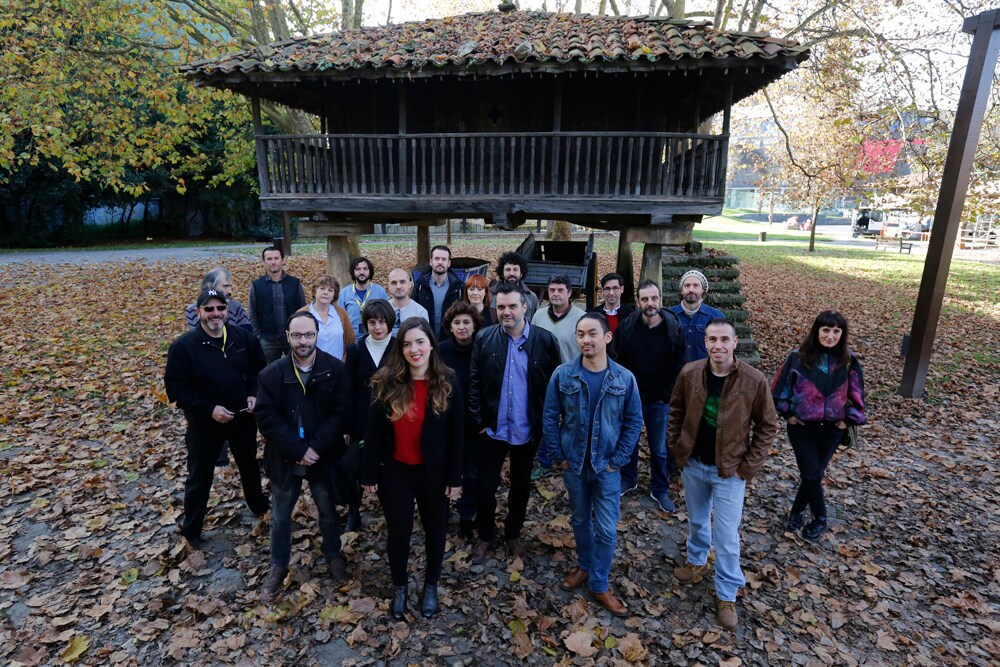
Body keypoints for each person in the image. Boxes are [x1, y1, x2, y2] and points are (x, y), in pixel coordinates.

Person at [667, 318, 778, 631]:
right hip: (694, 464)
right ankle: (697, 562)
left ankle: (727, 593)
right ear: (705, 342)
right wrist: (676, 447)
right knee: (698, 519)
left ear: (734, 343)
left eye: (724, 339)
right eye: (712, 339)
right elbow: (675, 411)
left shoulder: (753, 380)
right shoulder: (690, 373)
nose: (718, 345)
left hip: (730, 470)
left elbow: (768, 425)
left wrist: (748, 466)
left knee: (727, 536)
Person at [362, 318, 463, 621]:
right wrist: (368, 473)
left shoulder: (448, 382)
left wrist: (455, 478)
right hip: (396, 471)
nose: (413, 349)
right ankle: (401, 587)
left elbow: (458, 436)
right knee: (399, 532)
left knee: (435, 530)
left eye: (420, 342)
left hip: (434, 472)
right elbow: (373, 432)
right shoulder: (387, 381)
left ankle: (430, 585)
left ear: (431, 344)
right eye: (407, 344)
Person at [543, 313, 643, 617]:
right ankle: (584, 566)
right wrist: (559, 456)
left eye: (592, 334)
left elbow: (633, 421)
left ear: (606, 337)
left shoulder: (624, 378)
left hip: (606, 468)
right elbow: (549, 416)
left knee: (607, 529)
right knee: (580, 520)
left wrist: (618, 461)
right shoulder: (563, 374)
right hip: (574, 465)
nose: (586, 340)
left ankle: (600, 583)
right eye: (580, 334)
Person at [255, 311, 352, 596]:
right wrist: (297, 449)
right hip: (285, 457)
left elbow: (339, 413)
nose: (303, 341)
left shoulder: (335, 369)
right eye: (296, 335)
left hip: (322, 456)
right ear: (287, 336)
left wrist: (314, 448)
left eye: (308, 334)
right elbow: (266, 417)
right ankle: (278, 564)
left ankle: (334, 556)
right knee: (281, 515)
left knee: (327, 510)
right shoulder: (271, 375)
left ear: (317, 334)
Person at [164, 288, 269, 550]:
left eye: (220, 308)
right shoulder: (183, 347)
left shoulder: (243, 338)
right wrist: (209, 409)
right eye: (208, 309)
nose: (215, 314)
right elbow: (177, 390)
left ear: (227, 310)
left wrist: (254, 395)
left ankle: (259, 508)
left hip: (242, 418)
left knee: (249, 466)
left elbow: (259, 371)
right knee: (199, 475)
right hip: (204, 423)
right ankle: (192, 530)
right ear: (198, 312)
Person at [468, 282, 561, 563]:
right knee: (485, 486)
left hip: (526, 429)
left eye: (512, 306)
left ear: (525, 307)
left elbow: (553, 386)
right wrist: (479, 422)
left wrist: (544, 425)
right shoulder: (484, 338)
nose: (506, 312)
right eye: (500, 307)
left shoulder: (544, 341)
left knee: (520, 485)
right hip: (492, 429)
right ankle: (486, 535)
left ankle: (513, 533)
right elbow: (474, 382)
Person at [771, 310, 866, 542]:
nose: (831, 336)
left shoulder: (848, 361)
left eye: (836, 331)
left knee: (812, 474)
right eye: (826, 330)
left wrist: (847, 420)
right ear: (817, 331)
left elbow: (858, 395)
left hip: (832, 430)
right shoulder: (798, 357)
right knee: (811, 473)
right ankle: (820, 517)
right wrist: (789, 415)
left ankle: (796, 512)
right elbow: (779, 390)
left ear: (842, 334)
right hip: (802, 428)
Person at [611, 280, 687, 511]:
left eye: (654, 298)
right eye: (645, 299)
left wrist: (667, 395)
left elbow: (681, 366)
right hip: (631, 399)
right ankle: (629, 479)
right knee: (629, 443)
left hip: (659, 400)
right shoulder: (627, 327)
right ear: (638, 301)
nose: (650, 303)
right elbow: (616, 360)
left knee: (660, 448)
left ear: (660, 299)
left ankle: (660, 488)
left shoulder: (673, 328)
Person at [343, 299, 397, 531]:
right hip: (360, 418)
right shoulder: (355, 350)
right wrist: (345, 426)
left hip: (392, 417)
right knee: (356, 466)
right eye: (372, 322)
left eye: (382, 322)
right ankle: (354, 511)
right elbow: (347, 389)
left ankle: (392, 510)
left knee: (389, 465)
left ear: (389, 323)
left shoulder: (399, 347)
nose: (377, 327)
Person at [437, 301, 485, 541]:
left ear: (475, 325)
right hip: (446, 422)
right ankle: (442, 514)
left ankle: (467, 517)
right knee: (445, 468)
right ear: (450, 326)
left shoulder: (483, 347)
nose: (462, 327)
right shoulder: (441, 350)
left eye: (467, 322)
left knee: (472, 473)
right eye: (457, 322)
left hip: (475, 422)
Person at [249, 246, 307, 363]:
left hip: (293, 337)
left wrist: (301, 334)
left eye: (276, 258)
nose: (273, 262)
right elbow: (252, 313)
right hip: (267, 340)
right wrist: (259, 337)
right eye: (269, 259)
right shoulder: (256, 285)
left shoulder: (295, 283)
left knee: (297, 368)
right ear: (264, 261)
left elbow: (303, 309)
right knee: (268, 373)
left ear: (283, 260)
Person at [668, 269, 725, 362]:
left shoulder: (716, 317)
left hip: (704, 372)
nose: (691, 289)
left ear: (703, 290)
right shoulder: (669, 315)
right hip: (677, 373)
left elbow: (722, 347)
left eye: (696, 285)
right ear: (681, 290)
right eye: (687, 286)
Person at [531, 274, 587, 364]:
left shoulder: (582, 318)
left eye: (560, 290)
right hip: (543, 375)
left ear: (569, 293)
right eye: (552, 290)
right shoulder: (538, 315)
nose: (555, 294)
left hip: (569, 374)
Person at [298, 275, 355, 361]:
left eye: (330, 290)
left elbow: (350, 340)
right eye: (322, 288)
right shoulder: (302, 314)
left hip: (337, 367)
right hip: (311, 368)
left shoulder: (342, 314)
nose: (326, 292)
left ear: (334, 295)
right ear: (314, 291)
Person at [413, 245, 464, 339]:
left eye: (444, 259)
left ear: (449, 263)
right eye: (437, 258)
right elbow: (413, 312)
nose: (440, 262)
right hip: (425, 339)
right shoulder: (420, 285)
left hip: (450, 341)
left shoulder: (459, 287)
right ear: (431, 261)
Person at [184, 267, 254, 333]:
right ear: (210, 286)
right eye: (225, 286)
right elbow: (198, 339)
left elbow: (249, 336)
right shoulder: (192, 311)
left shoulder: (235, 307)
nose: (230, 292)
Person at [338, 256, 389, 336]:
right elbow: (340, 319)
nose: (362, 272)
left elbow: (387, 316)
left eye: (365, 269)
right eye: (358, 269)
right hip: (352, 339)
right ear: (353, 272)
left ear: (370, 271)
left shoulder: (380, 291)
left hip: (375, 337)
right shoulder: (344, 293)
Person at [491, 251, 540, 320]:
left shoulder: (531, 297)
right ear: (502, 273)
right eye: (508, 270)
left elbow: (535, 322)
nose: (511, 273)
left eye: (515, 270)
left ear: (521, 273)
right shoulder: (490, 295)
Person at [387, 268, 429, 335]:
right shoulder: (382, 310)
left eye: (402, 282)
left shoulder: (420, 313)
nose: (398, 286)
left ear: (410, 284)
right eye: (394, 283)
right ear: (388, 286)